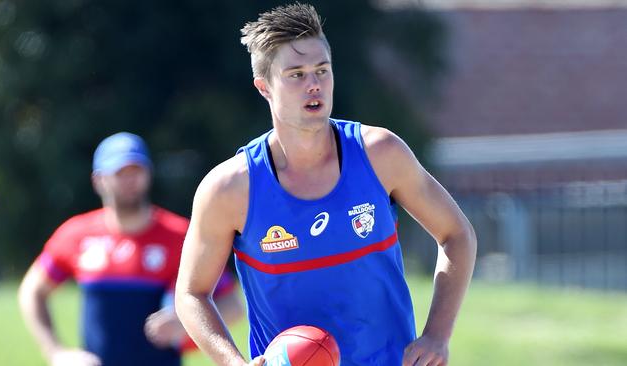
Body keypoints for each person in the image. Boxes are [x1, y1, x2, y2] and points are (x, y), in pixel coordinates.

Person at [175, 3, 477, 366]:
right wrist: (233, 362)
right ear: (264, 87)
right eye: (296, 74)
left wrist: (437, 335)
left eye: (322, 70)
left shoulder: (380, 154)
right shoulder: (229, 188)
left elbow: (457, 234)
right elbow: (191, 293)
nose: (314, 84)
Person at [18, 132, 244, 366]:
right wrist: (56, 352)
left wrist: (184, 323)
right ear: (98, 180)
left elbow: (232, 305)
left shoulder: (181, 236)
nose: (130, 180)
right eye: (120, 173)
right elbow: (32, 292)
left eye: (137, 170)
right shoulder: (76, 235)